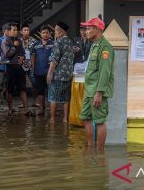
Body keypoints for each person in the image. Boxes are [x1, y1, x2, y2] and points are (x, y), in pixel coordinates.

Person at [79, 17, 114, 151]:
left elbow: (105, 72)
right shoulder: (94, 44)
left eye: (88, 28)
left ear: (98, 29)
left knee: (99, 121)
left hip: (97, 92)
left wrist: (99, 93)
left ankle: (100, 153)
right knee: (85, 118)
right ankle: (90, 148)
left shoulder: (105, 48)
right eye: (85, 28)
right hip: (89, 91)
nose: (86, 31)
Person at [47, 21, 74, 123]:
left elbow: (54, 60)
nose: (55, 32)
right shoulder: (70, 41)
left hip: (58, 75)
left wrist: (49, 74)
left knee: (53, 97)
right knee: (66, 98)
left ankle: (52, 119)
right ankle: (65, 119)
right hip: (68, 75)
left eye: (56, 30)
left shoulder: (58, 42)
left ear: (61, 31)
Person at [1, 23, 31, 116]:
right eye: (13, 30)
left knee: (23, 89)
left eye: (16, 30)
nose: (15, 32)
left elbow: (23, 52)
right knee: (10, 90)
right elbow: (7, 55)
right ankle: (10, 109)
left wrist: (22, 57)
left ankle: (26, 110)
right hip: (10, 68)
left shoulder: (19, 40)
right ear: (8, 31)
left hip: (20, 67)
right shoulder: (5, 41)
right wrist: (13, 46)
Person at [31, 25, 54, 115]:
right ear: (40, 34)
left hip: (50, 72)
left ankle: (52, 110)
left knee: (51, 91)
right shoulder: (36, 45)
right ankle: (41, 108)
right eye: (43, 33)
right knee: (40, 91)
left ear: (50, 34)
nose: (45, 34)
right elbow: (33, 57)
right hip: (38, 72)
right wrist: (32, 69)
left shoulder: (54, 44)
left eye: (47, 33)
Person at [19, 23, 39, 107]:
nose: (26, 32)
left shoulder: (34, 41)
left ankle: (35, 101)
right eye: (25, 30)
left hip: (31, 65)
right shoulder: (18, 41)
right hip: (21, 66)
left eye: (28, 30)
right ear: (21, 31)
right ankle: (23, 103)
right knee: (22, 84)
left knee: (34, 83)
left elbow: (37, 53)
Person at [0, 23, 10, 112]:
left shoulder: (12, 40)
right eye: (8, 30)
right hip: (1, 68)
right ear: (4, 31)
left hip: (9, 68)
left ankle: (8, 106)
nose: (10, 31)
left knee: (8, 87)